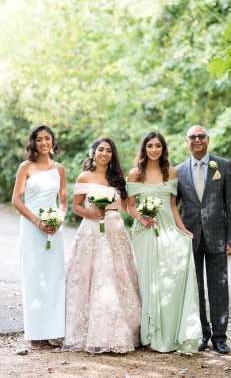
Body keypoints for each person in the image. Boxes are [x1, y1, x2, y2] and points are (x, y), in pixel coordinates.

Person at [63, 137, 141, 353]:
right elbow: (76, 206)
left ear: (112, 154)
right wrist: (91, 212)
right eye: (100, 150)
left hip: (115, 232)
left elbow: (127, 206)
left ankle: (118, 331)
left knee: (115, 280)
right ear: (93, 152)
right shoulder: (84, 176)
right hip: (91, 232)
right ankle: (93, 332)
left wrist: (145, 215)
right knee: (94, 278)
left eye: (108, 150)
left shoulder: (118, 177)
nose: (104, 153)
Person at [127, 132, 201, 353]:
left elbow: (172, 205)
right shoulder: (134, 174)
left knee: (170, 279)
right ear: (144, 148)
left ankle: (170, 335)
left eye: (158, 146)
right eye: (150, 146)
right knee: (149, 280)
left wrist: (183, 229)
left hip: (168, 227)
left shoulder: (172, 172)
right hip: (145, 230)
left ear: (163, 148)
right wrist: (141, 217)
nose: (154, 150)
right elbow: (130, 205)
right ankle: (149, 336)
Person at [175, 125, 231, 353]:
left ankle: (220, 337)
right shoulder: (179, 171)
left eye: (201, 136)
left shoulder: (223, 166)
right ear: (187, 142)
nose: (197, 140)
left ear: (208, 139)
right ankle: (202, 333)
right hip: (190, 237)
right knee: (196, 288)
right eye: (192, 137)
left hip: (218, 237)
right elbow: (173, 206)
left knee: (219, 287)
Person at [11, 125, 67, 350]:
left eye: (48, 138)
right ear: (33, 142)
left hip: (54, 229)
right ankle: (35, 336)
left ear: (53, 142)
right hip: (32, 227)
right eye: (39, 139)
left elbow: (63, 201)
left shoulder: (59, 169)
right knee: (34, 277)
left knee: (54, 278)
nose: (44, 142)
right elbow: (16, 200)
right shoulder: (26, 167)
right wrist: (38, 222)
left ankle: (51, 332)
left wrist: (59, 219)